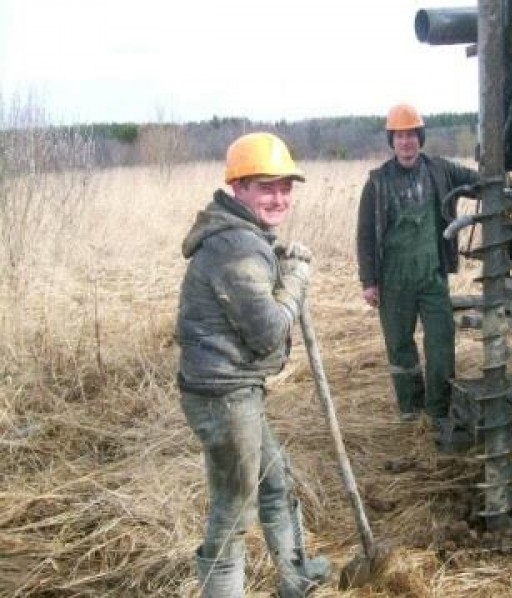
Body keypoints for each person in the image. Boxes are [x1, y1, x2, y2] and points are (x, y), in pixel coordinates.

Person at [177, 132, 330, 598]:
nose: (279, 198)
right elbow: (266, 332)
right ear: (238, 187)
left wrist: (278, 269)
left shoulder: (243, 237)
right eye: (266, 187)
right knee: (232, 508)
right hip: (223, 397)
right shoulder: (236, 246)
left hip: (235, 391)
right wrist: (296, 281)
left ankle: (294, 576)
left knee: (274, 479)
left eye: (286, 188)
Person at [356, 103, 479, 431]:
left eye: (411, 135)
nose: (406, 142)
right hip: (393, 280)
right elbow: (365, 235)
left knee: (441, 339)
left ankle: (438, 407)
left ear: (420, 138)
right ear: (392, 141)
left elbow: (477, 181)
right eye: (400, 136)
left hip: (432, 277)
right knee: (399, 344)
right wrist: (369, 281)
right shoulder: (377, 183)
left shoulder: (440, 170)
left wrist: (503, 183)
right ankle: (411, 407)